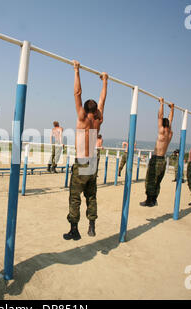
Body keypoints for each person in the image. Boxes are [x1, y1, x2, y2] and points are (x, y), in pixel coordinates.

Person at [64, 60, 108, 240]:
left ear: (85, 109)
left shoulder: (82, 119)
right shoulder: (99, 120)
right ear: (96, 110)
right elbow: (103, 98)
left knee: (75, 197)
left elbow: (77, 93)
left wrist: (76, 70)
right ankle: (91, 226)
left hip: (82, 162)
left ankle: (74, 230)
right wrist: (105, 81)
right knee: (91, 196)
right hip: (93, 163)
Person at [140, 98, 174, 207]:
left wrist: (162, 103)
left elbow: (160, 116)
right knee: (157, 181)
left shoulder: (162, 130)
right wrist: (172, 109)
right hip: (163, 160)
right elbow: (170, 119)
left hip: (156, 159)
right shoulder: (169, 132)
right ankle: (154, 199)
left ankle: (149, 200)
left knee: (150, 180)